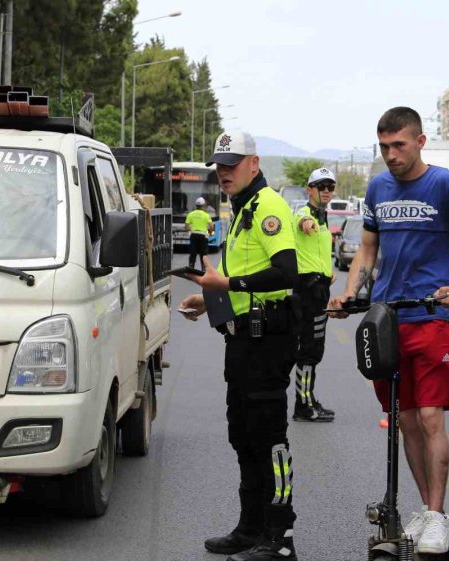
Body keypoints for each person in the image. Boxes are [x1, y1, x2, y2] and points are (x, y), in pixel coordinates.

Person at [328, 107, 449, 555]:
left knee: (430, 416)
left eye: (398, 145)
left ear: (420, 141)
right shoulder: (378, 187)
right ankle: (425, 508)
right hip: (387, 318)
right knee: (405, 421)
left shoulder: (444, 184)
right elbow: (366, 249)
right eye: (383, 147)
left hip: (432, 315)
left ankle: (437, 516)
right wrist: (348, 293)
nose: (390, 155)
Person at [180, 130, 301, 561]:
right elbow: (241, 280)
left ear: (254, 162)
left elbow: (287, 273)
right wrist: (209, 298)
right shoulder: (242, 207)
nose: (223, 171)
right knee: (244, 437)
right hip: (242, 340)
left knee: (269, 439)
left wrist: (225, 283)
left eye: (232, 163)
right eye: (219, 164)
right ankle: (250, 530)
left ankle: (279, 539)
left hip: (268, 341)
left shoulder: (268, 206)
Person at [291, 167, 338, 422]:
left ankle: (308, 400)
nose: (327, 192)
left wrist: (328, 272)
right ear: (310, 190)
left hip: (319, 287)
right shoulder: (304, 213)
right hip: (307, 291)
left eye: (331, 187)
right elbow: (300, 221)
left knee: (315, 348)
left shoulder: (323, 217)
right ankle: (303, 406)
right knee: (309, 350)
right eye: (322, 187)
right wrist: (306, 223)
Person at [185, 197, 215, 270]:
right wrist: (210, 233)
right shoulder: (206, 215)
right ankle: (204, 268)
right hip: (203, 236)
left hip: (194, 235)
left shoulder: (190, 214)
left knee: (193, 252)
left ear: (196, 205)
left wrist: (190, 230)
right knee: (203, 253)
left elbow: (186, 227)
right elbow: (211, 227)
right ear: (203, 205)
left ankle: (191, 267)